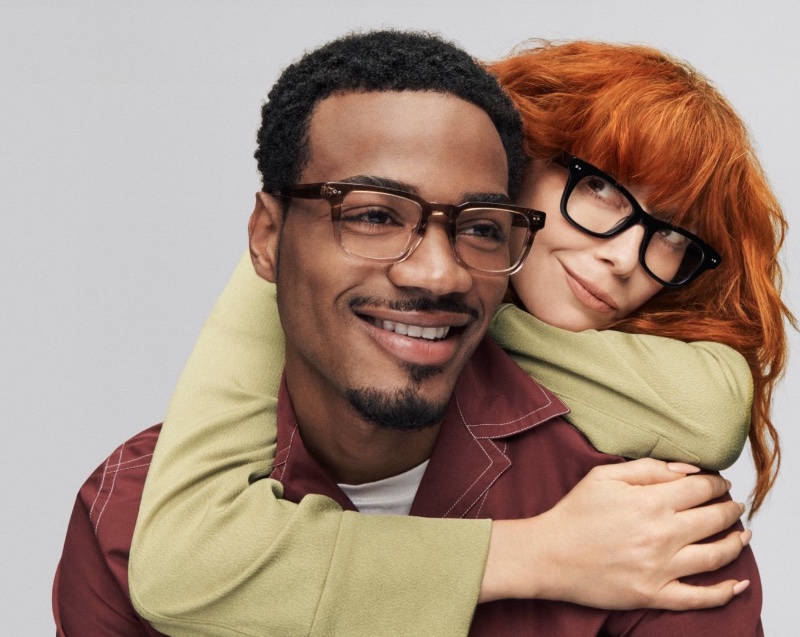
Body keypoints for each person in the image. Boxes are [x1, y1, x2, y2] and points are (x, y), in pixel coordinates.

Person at [54, 32, 761, 635]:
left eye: (670, 235)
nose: (624, 254)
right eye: (603, 187)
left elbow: (711, 407)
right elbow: (183, 560)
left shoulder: (652, 515)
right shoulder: (133, 499)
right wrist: (540, 553)